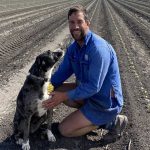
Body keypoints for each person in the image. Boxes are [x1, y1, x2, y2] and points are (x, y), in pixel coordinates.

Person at [42, 5, 128, 143]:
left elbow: (94, 87)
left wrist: (63, 96)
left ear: (87, 23)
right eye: (71, 22)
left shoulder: (98, 50)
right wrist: (42, 88)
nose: (75, 26)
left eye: (79, 22)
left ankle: (113, 122)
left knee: (64, 130)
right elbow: (60, 75)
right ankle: (87, 115)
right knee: (55, 89)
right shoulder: (73, 49)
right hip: (88, 94)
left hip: (104, 102)